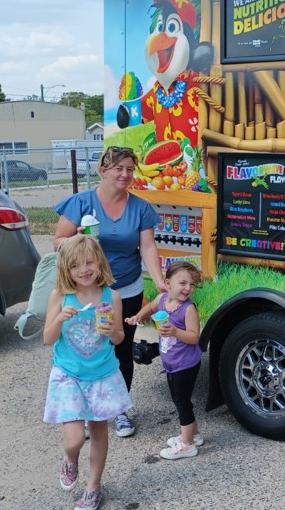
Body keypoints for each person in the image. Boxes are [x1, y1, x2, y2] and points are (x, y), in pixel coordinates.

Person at [53, 145, 168, 438]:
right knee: (86, 349)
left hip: (126, 289)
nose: (125, 174)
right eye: (118, 168)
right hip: (87, 292)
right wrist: (74, 239)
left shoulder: (140, 207)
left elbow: (147, 247)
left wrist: (159, 281)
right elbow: (57, 241)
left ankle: (117, 411)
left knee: (121, 348)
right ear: (103, 171)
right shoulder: (80, 203)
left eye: (130, 169)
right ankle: (88, 413)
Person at [43, 235, 130, 510]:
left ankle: (93, 487)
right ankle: (70, 459)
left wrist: (111, 331)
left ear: (99, 262)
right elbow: (47, 338)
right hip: (69, 374)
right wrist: (59, 318)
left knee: (99, 431)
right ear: (66, 270)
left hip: (102, 375)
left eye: (89, 262)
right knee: (75, 439)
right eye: (76, 266)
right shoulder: (60, 295)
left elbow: (119, 339)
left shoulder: (110, 296)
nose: (84, 270)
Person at [125, 260, 205, 460]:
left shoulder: (187, 309)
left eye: (192, 285)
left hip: (186, 364)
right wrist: (137, 316)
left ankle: (187, 445)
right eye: (183, 283)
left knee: (181, 402)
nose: (188, 288)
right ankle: (193, 435)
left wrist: (176, 331)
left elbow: (195, 337)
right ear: (168, 283)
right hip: (172, 363)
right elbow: (150, 308)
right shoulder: (162, 299)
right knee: (182, 400)